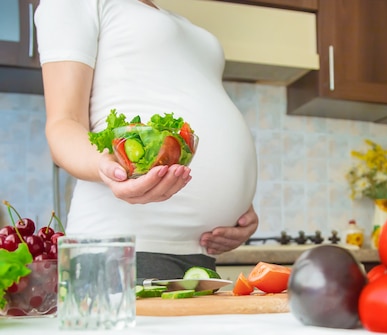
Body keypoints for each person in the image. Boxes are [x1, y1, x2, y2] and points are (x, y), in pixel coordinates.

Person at [34, 0, 259, 280]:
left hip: (201, 254)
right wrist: (109, 168)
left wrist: (237, 204)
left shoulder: (178, 20)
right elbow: (63, 124)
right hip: (128, 249)